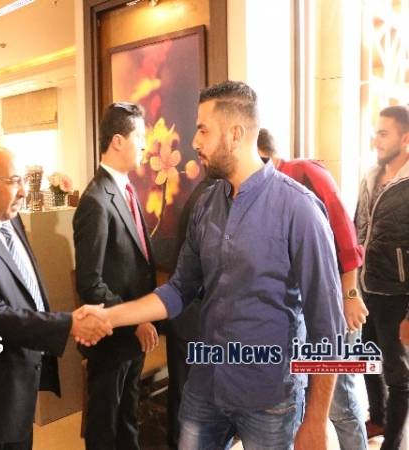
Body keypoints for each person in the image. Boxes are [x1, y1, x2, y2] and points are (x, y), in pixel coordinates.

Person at [78, 81, 345, 450]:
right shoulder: (206, 205)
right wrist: (110, 316)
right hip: (206, 385)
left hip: (270, 397)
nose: (194, 142)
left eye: (203, 130)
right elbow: (178, 289)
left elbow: (327, 324)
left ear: (235, 135)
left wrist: (316, 419)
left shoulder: (299, 209)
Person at [0, 145, 112, 450]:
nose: (23, 192)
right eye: (14, 181)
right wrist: (68, 324)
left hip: (17, 390)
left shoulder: (10, 218)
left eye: (23, 182)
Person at [257, 127, 368, 450]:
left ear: (266, 156)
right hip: (300, 308)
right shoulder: (261, 192)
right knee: (303, 396)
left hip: (335, 300)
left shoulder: (306, 172)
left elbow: (345, 234)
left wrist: (350, 295)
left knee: (340, 399)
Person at [73, 102, 158, 450]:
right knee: (104, 427)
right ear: (118, 141)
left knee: (127, 418)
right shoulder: (96, 200)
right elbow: (90, 282)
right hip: (111, 338)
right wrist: (135, 319)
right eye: (140, 137)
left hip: (132, 336)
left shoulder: (126, 190)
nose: (145, 146)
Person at [354, 105, 409, 450]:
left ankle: (394, 441)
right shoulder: (371, 176)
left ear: (405, 139)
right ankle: (378, 417)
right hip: (367, 287)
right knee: (368, 358)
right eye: (376, 132)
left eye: (384, 133)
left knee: (398, 373)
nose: (376, 139)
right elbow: (357, 228)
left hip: (397, 295)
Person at [164, 170, 215, 450]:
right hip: (189, 317)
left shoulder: (212, 193)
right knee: (186, 401)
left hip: (195, 316)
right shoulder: (208, 198)